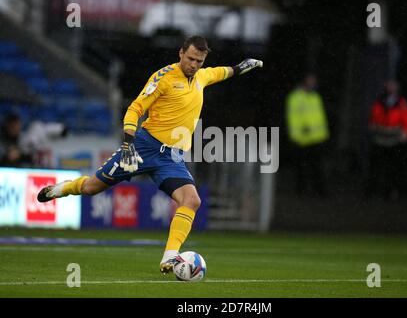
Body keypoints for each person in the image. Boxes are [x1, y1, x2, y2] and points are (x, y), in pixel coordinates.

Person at [37, 36, 263, 274]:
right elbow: (136, 108)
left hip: (172, 158)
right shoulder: (163, 78)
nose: (194, 65)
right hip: (144, 148)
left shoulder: (202, 77)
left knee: (192, 200)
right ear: (180, 53)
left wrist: (241, 67)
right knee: (92, 187)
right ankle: (60, 189)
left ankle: (169, 257)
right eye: (191, 59)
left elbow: (222, 72)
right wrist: (128, 144)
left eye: (199, 61)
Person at [366, 79, 407, 200]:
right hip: (379, 140)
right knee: (375, 168)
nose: (391, 88)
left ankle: (389, 193)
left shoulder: (402, 103)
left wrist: (406, 133)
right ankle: (370, 192)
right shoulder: (379, 101)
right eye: (389, 86)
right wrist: (372, 125)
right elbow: (373, 117)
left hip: (394, 141)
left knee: (392, 169)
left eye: (393, 86)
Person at [285, 73, 330, 196]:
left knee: (318, 167)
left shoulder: (315, 97)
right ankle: (302, 191)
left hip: (317, 138)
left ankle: (321, 191)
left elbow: (320, 117)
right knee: (302, 168)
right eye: (311, 81)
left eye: (314, 82)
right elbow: (293, 118)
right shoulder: (295, 97)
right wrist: (296, 136)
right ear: (304, 82)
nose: (313, 84)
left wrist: (324, 134)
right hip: (302, 139)